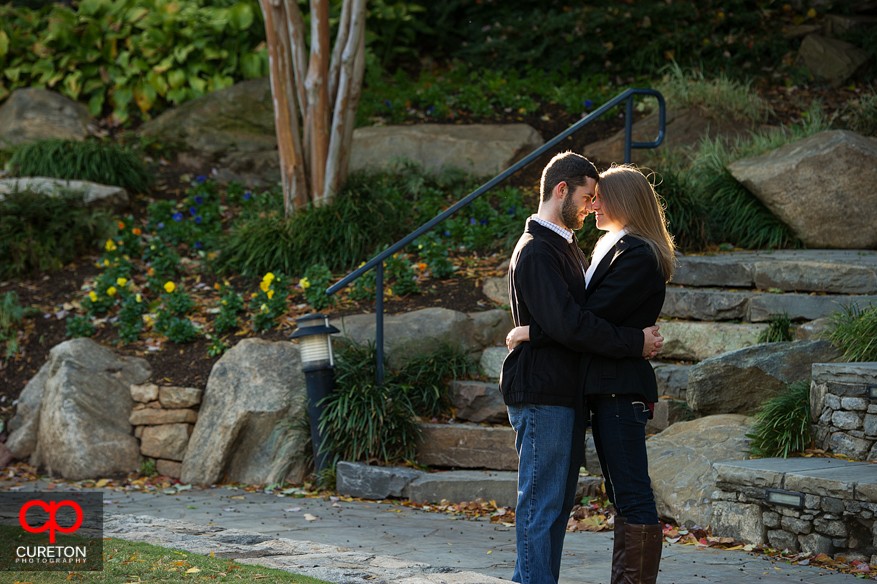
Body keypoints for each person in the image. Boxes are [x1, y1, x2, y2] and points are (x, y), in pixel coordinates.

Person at [507, 164, 676, 584]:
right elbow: (575, 322)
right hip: (573, 390)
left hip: (612, 391)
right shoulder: (564, 248)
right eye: (589, 196)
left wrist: (533, 331)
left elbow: (582, 320)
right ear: (563, 190)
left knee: (617, 496)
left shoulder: (630, 252)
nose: (593, 205)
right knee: (549, 503)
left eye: (600, 197)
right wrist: (631, 340)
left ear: (624, 202)